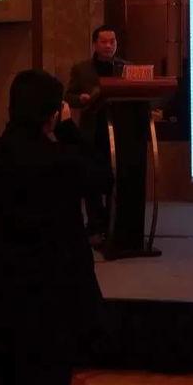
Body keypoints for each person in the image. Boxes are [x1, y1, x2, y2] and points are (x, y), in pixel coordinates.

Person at [0, 69, 112, 385]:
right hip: (52, 309)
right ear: (52, 114)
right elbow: (104, 177)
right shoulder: (64, 162)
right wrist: (67, 128)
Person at [65, 25, 127, 245]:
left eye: (112, 41)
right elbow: (68, 96)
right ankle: (95, 226)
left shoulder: (125, 68)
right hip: (92, 133)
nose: (109, 46)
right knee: (91, 182)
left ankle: (113, 225)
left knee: (115, 180)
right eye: (104, 42)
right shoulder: (82, 69)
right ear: (94, 44)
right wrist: (80, 99)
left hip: (119, 132)